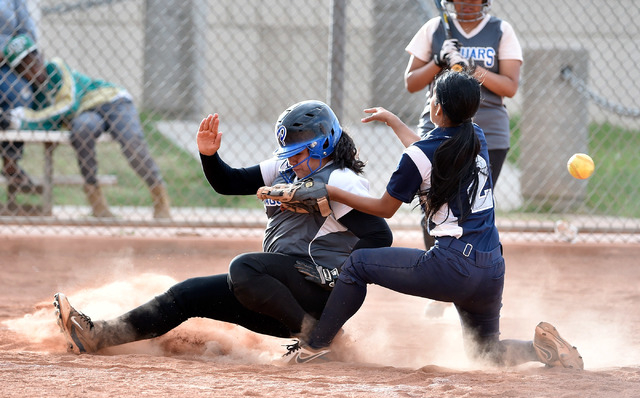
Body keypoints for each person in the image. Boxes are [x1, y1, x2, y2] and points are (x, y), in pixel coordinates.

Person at [277, 71, 583, 370]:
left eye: (433, 97)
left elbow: (385, 208)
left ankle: (314, 347)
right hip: (491, 268)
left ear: (438, 108)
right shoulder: (474, 135)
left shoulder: (424, 153)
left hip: (453, 267)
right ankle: (542, 350)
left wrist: (330, 190)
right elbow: (426, 152)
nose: (430, 102)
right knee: (486, 353)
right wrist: (394, 121)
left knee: (358, 265)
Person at [52, 100, 393, 356]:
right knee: (188, 294)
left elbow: (380, 235)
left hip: (321, 293)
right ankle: (99, 336)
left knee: (243, 267)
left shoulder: (339, 180)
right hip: (280, 292)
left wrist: (340, 275)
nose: (291, 161)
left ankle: (314, 339)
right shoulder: (286, 169)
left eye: (299, 153)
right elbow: (228, 183)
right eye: (288, 153)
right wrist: (209, 156)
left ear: (323, 144)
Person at [0, 34, 170, 218]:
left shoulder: (55, 67)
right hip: (85, 114)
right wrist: (21, 120)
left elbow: (68, 104)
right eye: (24, 66)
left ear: (41, 55)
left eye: (34, 59)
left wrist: (22, 119)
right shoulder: (36, 94)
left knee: (131, 142)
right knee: (81, 130)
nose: (33, 68)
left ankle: (159, 195)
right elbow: (48, 122)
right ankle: (97, 202)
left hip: (111, 100)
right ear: (18, 73)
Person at [404, 0, 522, 249]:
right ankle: (438, 268)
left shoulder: (501, 30)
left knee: (474, 207)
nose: (466, 4)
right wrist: (438, 60)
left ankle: (469, 268)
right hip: (439, 127)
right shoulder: (434, 28)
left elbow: (510, 87)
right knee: (433, 203)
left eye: (472, 0)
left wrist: (473, 68)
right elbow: (411, 83)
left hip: (487, 128)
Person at [0, 0, 38, 191]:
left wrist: (10, 52)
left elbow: (27, 31)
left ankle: (11, 162)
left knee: (19, 93)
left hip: (7, 61)